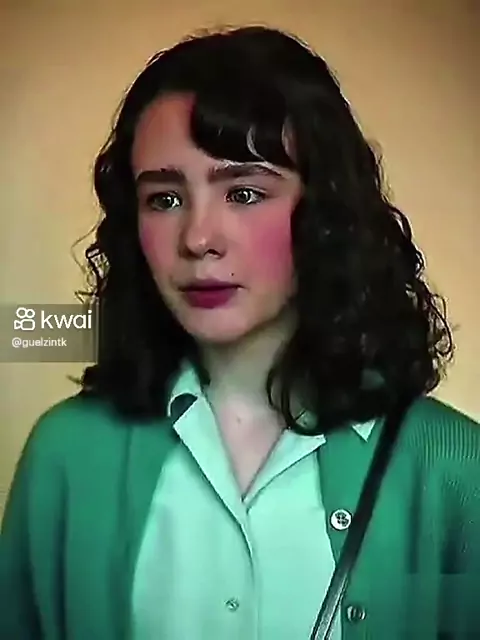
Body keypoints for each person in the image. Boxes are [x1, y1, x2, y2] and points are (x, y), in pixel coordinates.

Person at [1, 25, 479, 640]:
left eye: (245, 193)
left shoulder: (454, 467)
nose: (198, 238)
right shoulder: (64, 455)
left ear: (325, 212)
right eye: (164, 199)